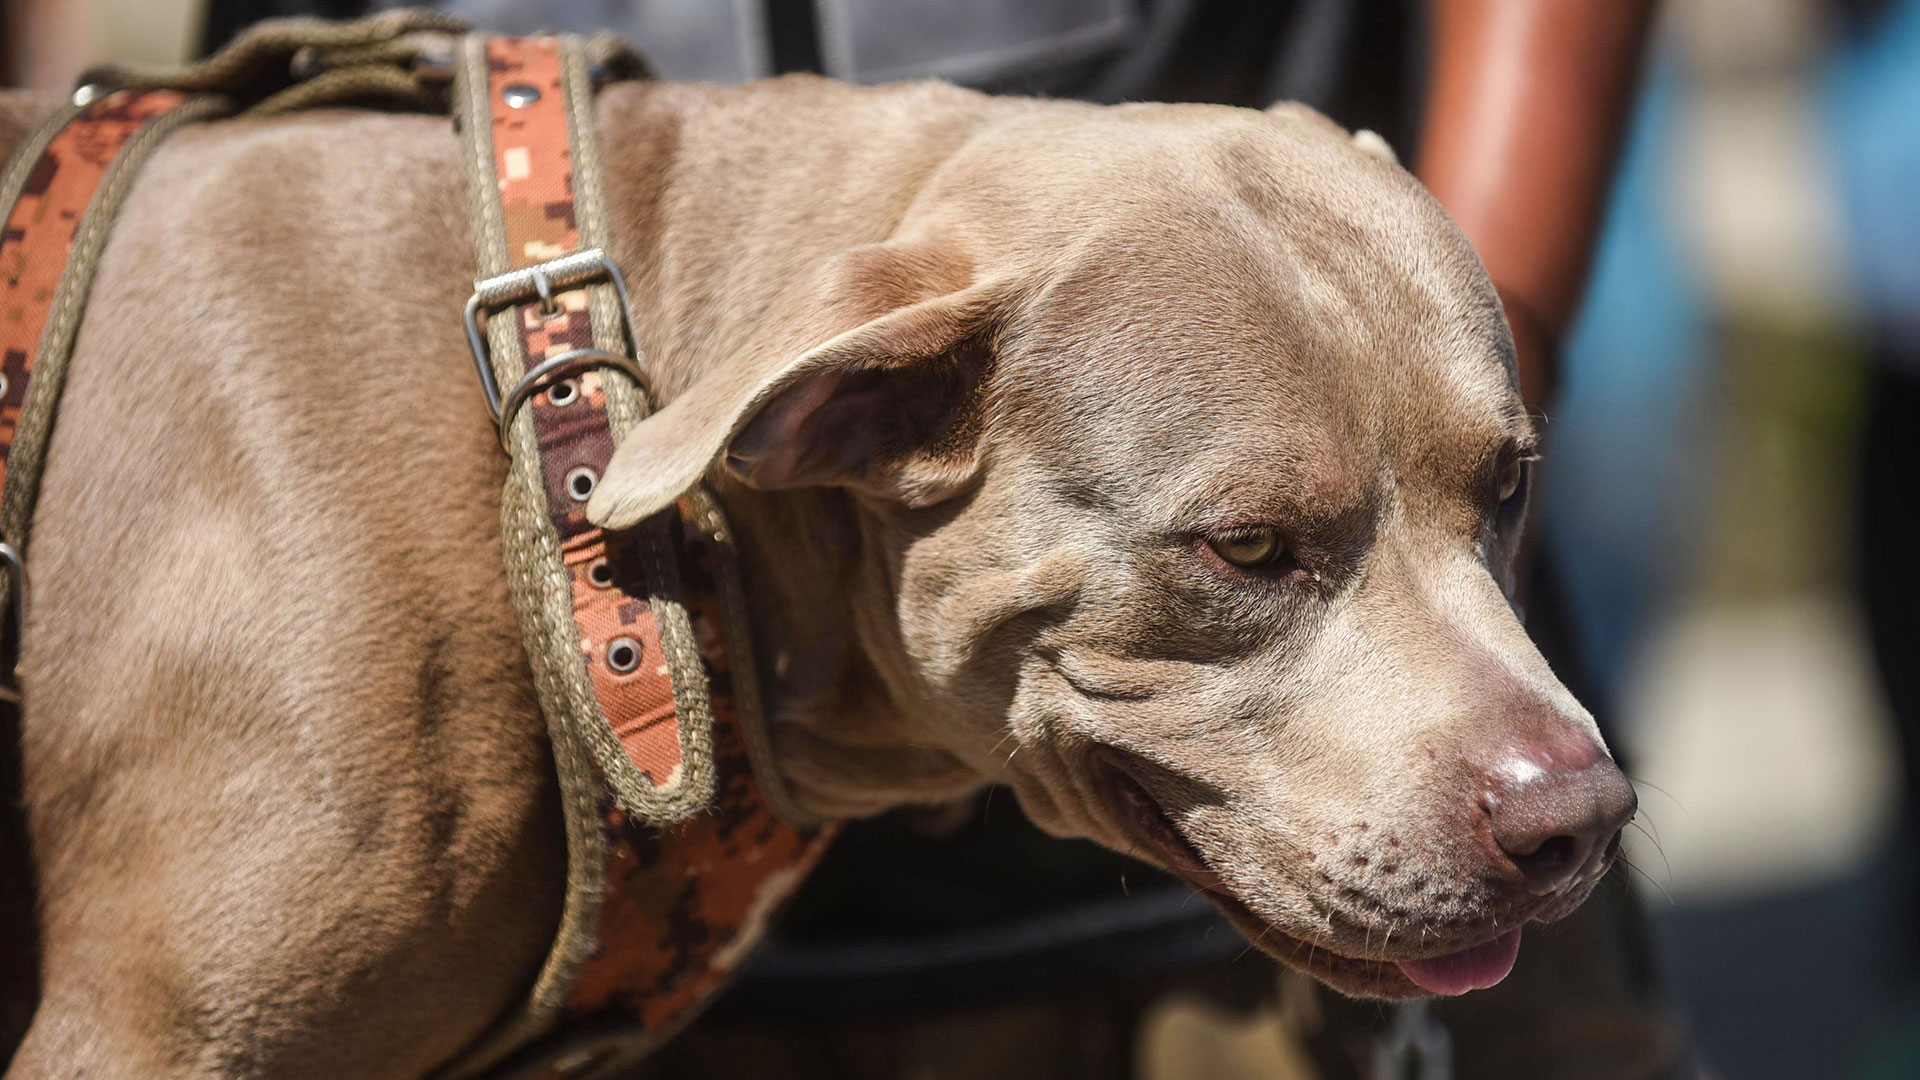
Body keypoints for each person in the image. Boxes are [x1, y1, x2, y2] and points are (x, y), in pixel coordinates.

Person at [167, 3, 1680, 1076]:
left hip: (1184, 909)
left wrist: (1471, 341)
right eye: (1259, 548)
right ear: (834, 420)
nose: (1573, 775)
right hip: (532, 778)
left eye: (1497, 489)